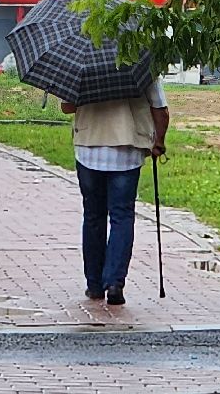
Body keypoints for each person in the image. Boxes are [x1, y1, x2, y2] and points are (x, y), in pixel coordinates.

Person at [62, 78, 170, 307]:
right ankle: (114, 282)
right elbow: (160, 108)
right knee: (122, 216)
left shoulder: (82, 63)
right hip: (127, 150)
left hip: (88, 148)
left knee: (93, 216)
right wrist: (159, 140)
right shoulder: (141, 63)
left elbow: (67, 107)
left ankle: (93, 284)